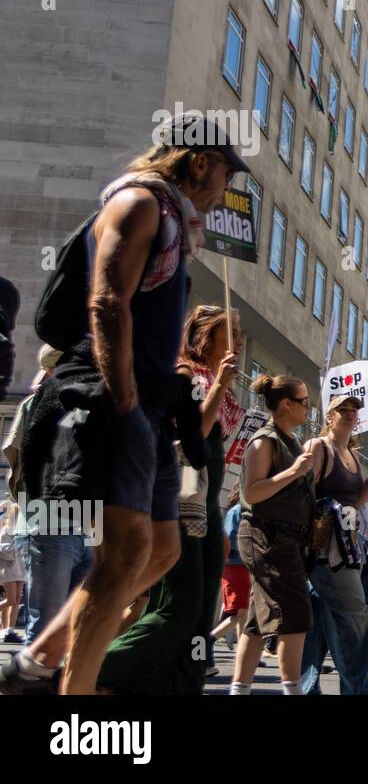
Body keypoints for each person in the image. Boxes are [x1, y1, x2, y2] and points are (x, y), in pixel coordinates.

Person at [2, 116, 248, 695]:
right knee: (125, 555)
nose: (224, 193)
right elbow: (106, 302)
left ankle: (35, 661)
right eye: (226, 175)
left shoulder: (173, 225)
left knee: (160, 551)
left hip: (148, 410)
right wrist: (125, 400)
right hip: (110, 398)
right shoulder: (139, 204)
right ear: (201, 162)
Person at [97, 305, 243, 695]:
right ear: (205, 336)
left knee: (201, 615)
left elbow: (215, 459)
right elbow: (191, 439)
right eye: (231, 331)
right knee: (179, 605)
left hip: (206, 506)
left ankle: (183, 685)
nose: (240, 340)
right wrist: (218, 386)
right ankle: (93, 668)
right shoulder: (186, 375)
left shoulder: (219, 382)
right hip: (178, 501)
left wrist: (217, 519)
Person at [229, 375, 321, 695]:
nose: (308, 407)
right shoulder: (265, 440)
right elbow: (252, 492)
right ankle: (293, 690)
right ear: (285, 404)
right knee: (295, 614)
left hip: (285, 537)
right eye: (303, 401)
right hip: (267, 535)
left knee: (257, 620)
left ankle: (239, 689)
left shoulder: (291, 441)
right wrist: (294, 472)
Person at [300, 395, 368, 694]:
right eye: (344, 410)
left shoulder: (352, 455)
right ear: (329, 416)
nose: (351, 414)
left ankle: (305, 688)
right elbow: (301, 495)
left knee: (317, 626)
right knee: (356, 615)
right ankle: (359, 688)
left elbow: (356, 502)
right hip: (324, 549)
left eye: (354, 410)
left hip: (348, 546)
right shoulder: (319, 447)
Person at [5, 345, 90, 649]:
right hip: (48, 522)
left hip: (84, 522)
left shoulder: (87, 402)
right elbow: (20, 461)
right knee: (45, 629)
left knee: (77, 625)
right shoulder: (38, 403)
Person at [211, 485, 250, 650]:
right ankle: (207, 641)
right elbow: (229, 538)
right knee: (241, 612)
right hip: (237, 566)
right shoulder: (238, 510)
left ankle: (244, 651)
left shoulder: (240, 510)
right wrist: (250, 544)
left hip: (239, 566)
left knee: (243, 612)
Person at [0, 497, 25, 641]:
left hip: (20, 570)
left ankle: (9, 630)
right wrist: (19, 548)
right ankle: (6, 629)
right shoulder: (6, 531)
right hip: (9, 569)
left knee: (15, 601)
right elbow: (3, 550)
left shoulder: (21, 531)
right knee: (10, 600)